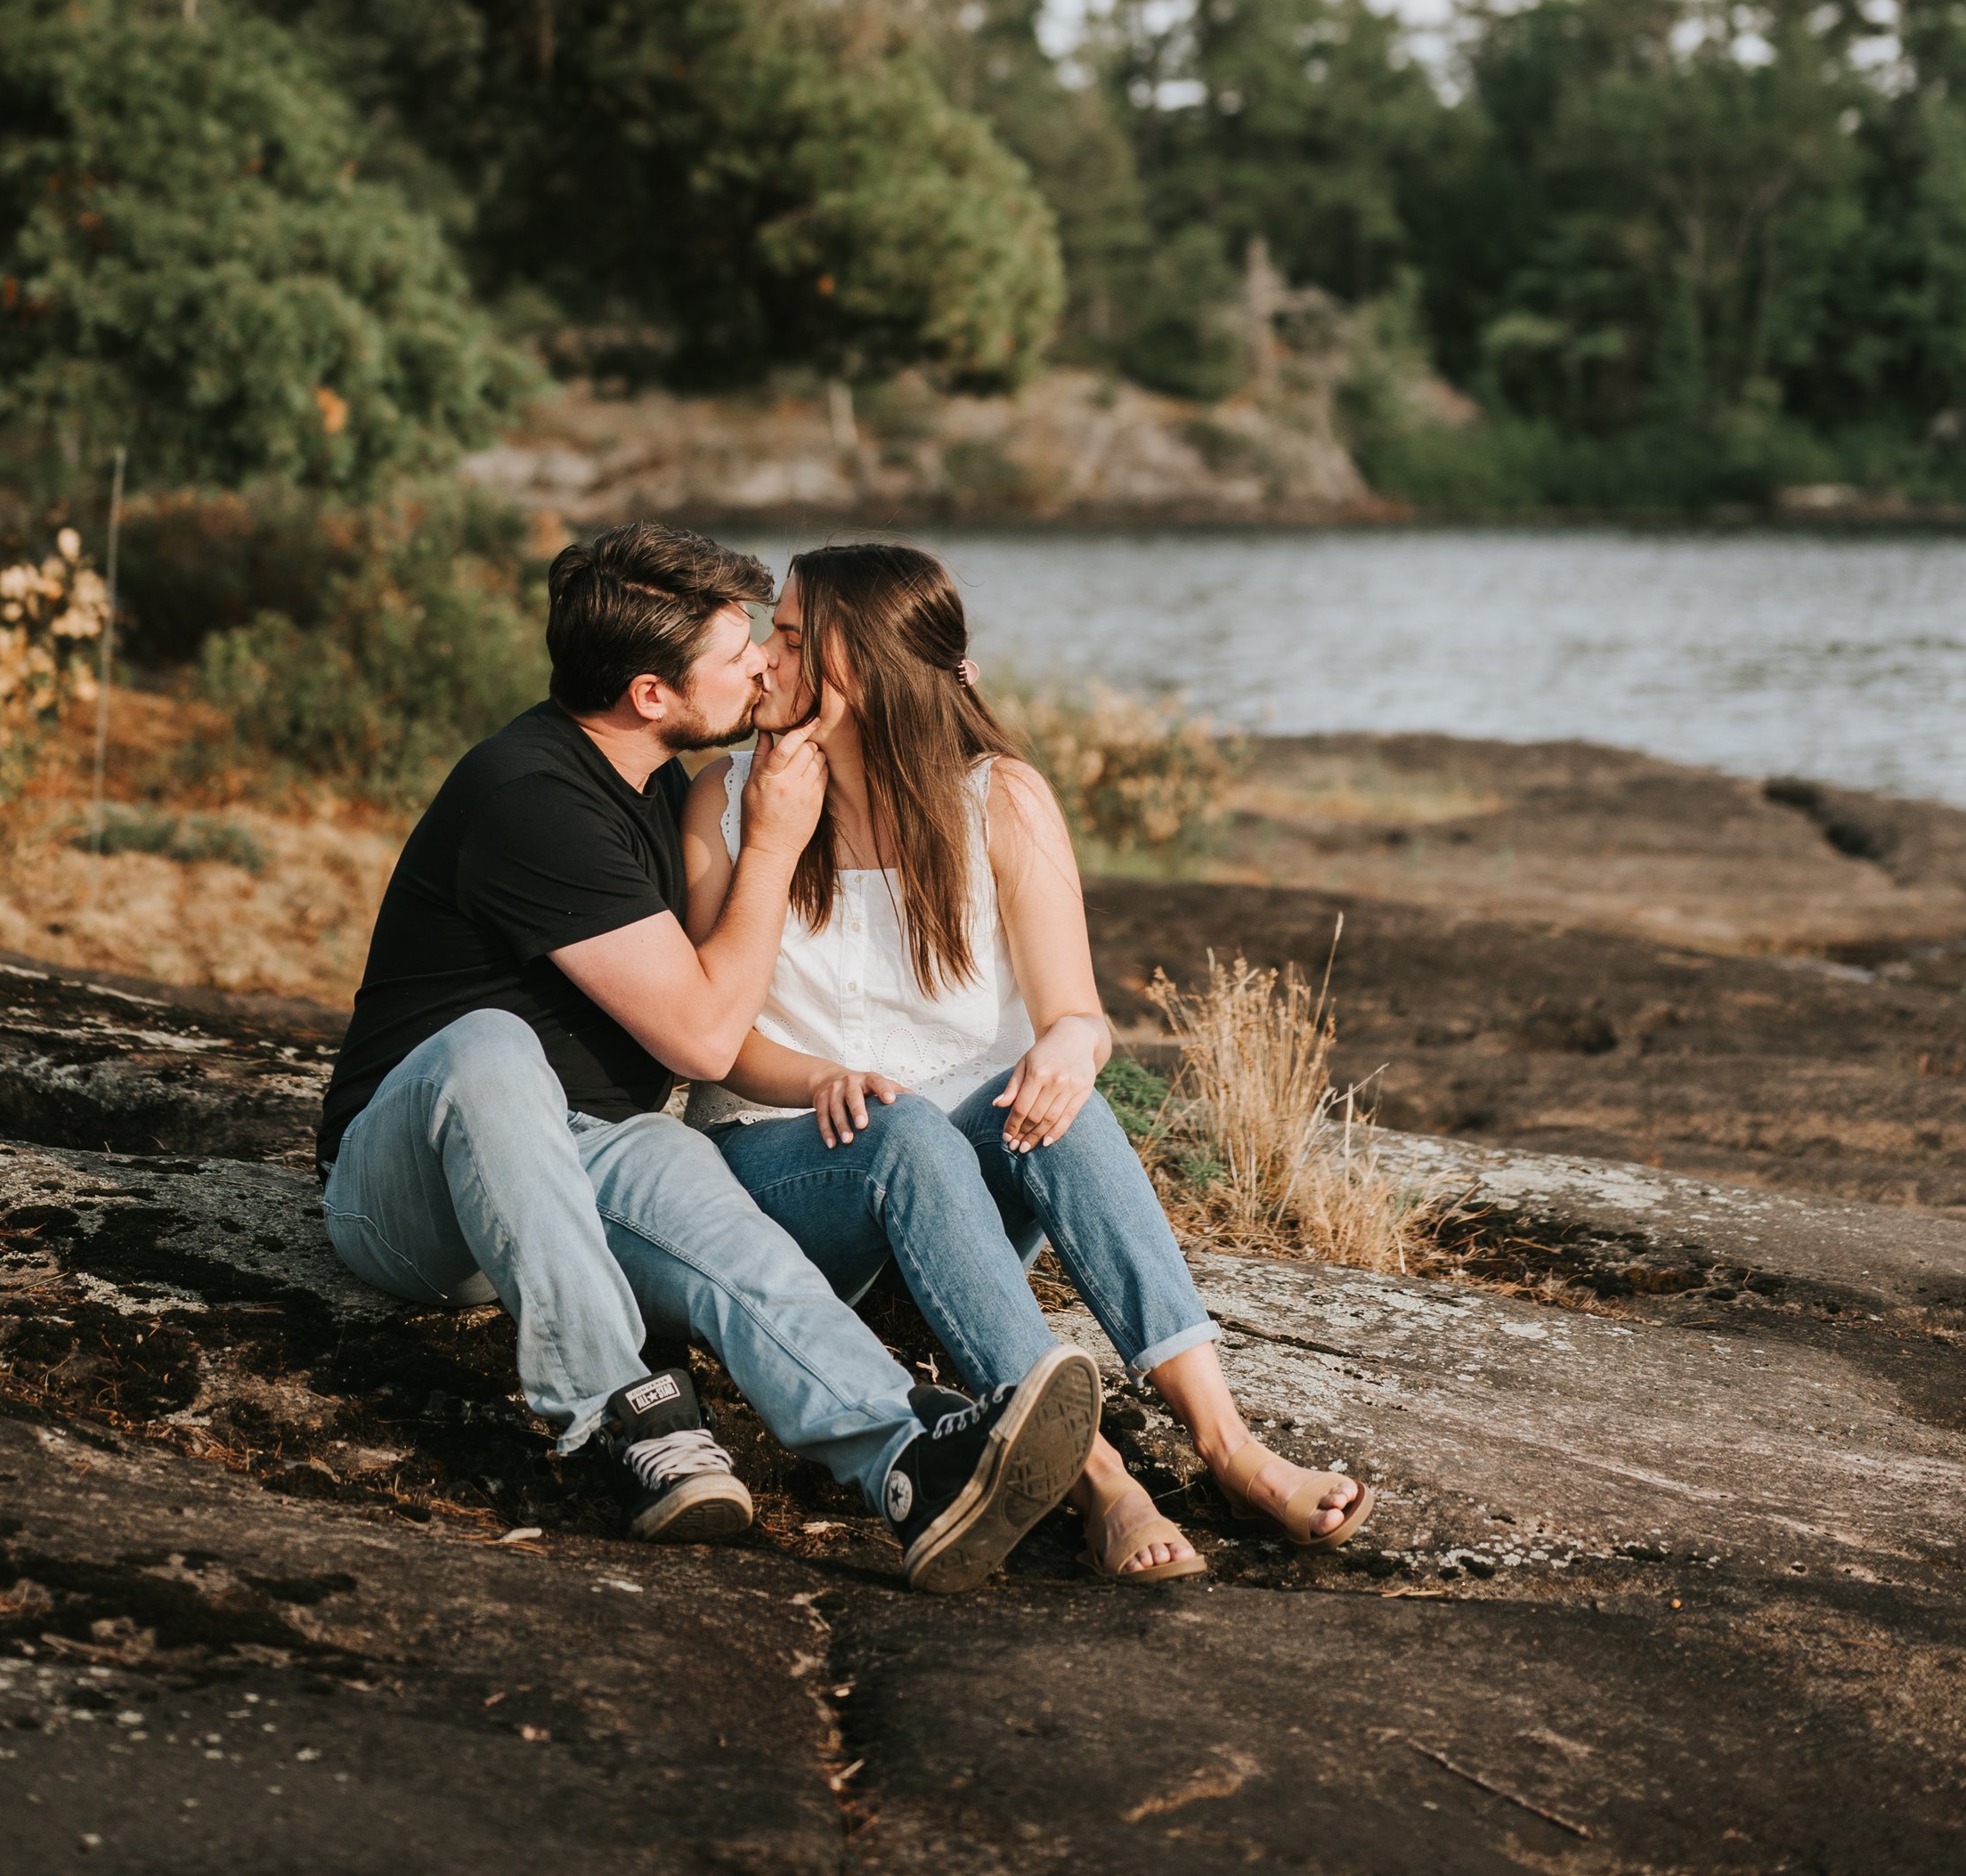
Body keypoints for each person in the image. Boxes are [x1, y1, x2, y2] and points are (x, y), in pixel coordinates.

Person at [315, 522, 1100, 1588]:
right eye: (742, 657)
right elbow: (699, 1036)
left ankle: (906, 1461)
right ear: (651, 695)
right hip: (413, 1188)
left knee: (731, 1236)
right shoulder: (529, 796)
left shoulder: (651, 788)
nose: (766, 668)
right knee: (494, 1046)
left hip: (587, 1161)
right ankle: (612, 1411)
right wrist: (774, 841)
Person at [682, 542, 1375, 1583]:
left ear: (861, 669)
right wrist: (821, 1080)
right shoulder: (725, 801)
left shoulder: (998, 799)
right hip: (794, 1177)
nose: (763, 663)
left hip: (961, 1203)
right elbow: (712, 1035)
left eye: (788, 639)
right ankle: (1098, 1481)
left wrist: (1066, 1044)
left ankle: (1229, 1447)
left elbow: (1078, 1016)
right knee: (906, 1125)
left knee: (1064, 1107)